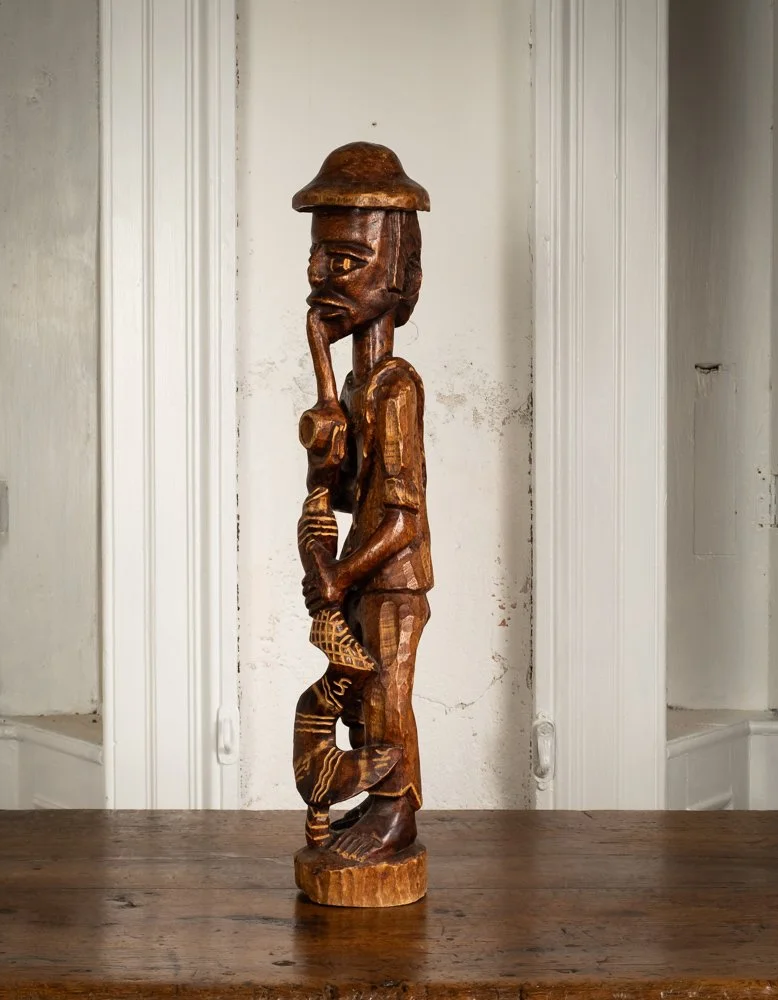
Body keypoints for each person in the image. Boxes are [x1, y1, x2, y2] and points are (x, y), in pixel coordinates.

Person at [293, 143, 433, 863]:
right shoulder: (354, 387)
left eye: (346, 260)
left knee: (385, 695)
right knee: (357, 696)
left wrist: (341, 575)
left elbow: (405, 517)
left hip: (392, 579)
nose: (321, 276)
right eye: (317, 259)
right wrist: (324, 379)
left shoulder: (395, 384)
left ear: (398, 277)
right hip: (360, 573)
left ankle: (394, 812)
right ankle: (377, 806)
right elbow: (347, 493)